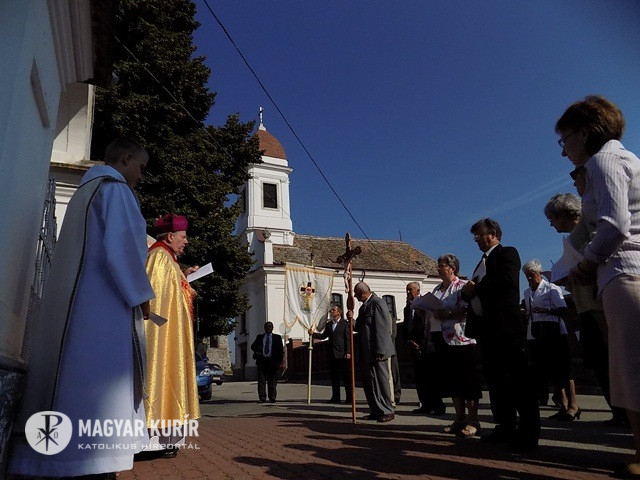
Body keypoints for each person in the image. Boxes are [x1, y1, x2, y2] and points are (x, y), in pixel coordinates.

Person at [9, 138, 155, 479]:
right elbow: (124, 249)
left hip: (76, 307)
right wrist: (142, 296)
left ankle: (59, 458)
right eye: (140, 167)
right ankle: (93, 462)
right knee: (99, 383)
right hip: (103, 307)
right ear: (126, 159)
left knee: (71, 378)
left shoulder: (84, 193)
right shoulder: (116, 191)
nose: (140, 175)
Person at [556, 95, 640, 476]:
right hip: (628, 270)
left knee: (629, 365)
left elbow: (616, 225)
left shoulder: (602, 161)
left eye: (565, 139)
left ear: (586, 131)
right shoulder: (625, 159)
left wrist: (588, 261)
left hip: (623, 271)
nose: (564, 151)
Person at [545, 190, 626, 425]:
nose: (551, 224)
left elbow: (602, 254)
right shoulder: (573, 237)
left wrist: (578, 269)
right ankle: (619, 413)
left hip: (598, 302)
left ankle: (625, 413)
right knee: (598, 360)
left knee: (611, 359)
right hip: (584, 305)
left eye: (552, 218)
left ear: (564, 214)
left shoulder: (590, 224)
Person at [461, 218, 540, 451]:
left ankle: (528, 432)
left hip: (505, 328)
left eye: (479, 234)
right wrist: (467, 291)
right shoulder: (480, 263)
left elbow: (506, 280)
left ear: (493, 233)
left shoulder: (507, 253)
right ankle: (505, 426)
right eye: (474, 236)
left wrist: (477, 288)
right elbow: (471, 291)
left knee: (518, 380)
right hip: (486, 330)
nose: (476, 239)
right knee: (497, 382)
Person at [144, 213, 200, 456]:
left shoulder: (169, 259)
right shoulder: (159, 257)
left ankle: (166, 439)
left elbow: (172, 292)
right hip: (163, 335)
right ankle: (152, 441)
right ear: (169, 236)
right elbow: (156, 300)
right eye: (183, 236)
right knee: (161, 375)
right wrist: (186, 288)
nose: (186, 241)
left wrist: (185, 278)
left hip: (171, 332)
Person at [431, 254, 482, 437]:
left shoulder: (462, 286)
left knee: (469, 381)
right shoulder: (437, 289)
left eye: (441, 265)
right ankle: (459, 418)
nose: (438, 268)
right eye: (438, 265)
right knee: (453, 382)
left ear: (452, 268)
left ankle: (473, 420)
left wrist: (446, 314)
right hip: (444, 339)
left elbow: (468, 310)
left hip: (463, 339)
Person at [521, 260, 579, 421]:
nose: (530, 279)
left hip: (554, 331)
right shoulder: (527, 292)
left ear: (540, 274)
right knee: (552, 369)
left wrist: (545, 310)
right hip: (536, 332)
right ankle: (563, 405)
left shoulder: (551, 288)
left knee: (564, 368)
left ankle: (574, 405)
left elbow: (563, 309)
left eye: (532, 275)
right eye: (527, 276)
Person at [348, 282, 395, 422]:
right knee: (370, 383)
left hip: (377, 351)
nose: (355, 296)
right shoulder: (364, 307)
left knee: (381, 381)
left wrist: (380, 350)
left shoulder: (377, 303)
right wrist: (351, 319)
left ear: (362, 292)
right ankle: (375, 409)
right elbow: (359, 327)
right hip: (366, 352)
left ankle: (387, 410)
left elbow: (383, 328)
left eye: (356, 293)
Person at [404, 282, 446, 415]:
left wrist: (423, 343)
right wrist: (409, 341)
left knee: (431, 378)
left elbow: (427, 325)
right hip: (414, 347)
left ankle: (438, 405)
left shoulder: (425, 306)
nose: (408, 292)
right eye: (407, 290)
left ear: (418, 291)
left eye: (411, 290)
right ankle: (425, 404)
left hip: (427, 346)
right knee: (420, 378)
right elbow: (406, 328)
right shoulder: (407, 308)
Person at [309, 304, 352, 403]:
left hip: (342, 354)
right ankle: (336, 397)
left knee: (346, 377)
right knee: (334, 377)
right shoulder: (329, 325)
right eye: (331, 311)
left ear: (339, 312)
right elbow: (324, 336)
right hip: (332, 354)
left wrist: (348, 352)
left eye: (333, 310)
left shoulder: (344, 323)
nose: (331, 312)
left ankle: (349, 398)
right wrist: (313, 334)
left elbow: (348, 339)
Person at [251, 322, 285, 403]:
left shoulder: (277, 337)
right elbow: (253, 346)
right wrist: (259, 350)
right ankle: (262, 397)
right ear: (264, 328)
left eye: (269, 326)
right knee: (261, 380)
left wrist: (280, 362)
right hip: (262, 361)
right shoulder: (260, 337)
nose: (268, 328)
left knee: (272, 380)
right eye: (266, 326)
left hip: (273, 362)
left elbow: (280, 350)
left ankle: (272, 397)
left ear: (272, 328)